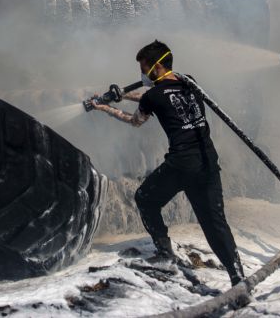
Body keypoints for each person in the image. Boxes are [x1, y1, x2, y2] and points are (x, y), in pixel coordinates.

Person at [90, 40, 246, 286]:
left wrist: (105, 108)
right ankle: (238, 277)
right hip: (207, 160)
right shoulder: (189, 82)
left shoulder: (154, 95)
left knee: (145, 198)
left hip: (181, 164)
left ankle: (165, 252)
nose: (142, 74)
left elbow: (136, 119)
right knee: (214, 223)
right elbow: (158, 97)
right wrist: (124, 95)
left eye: (144, 68)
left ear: (157, 67)